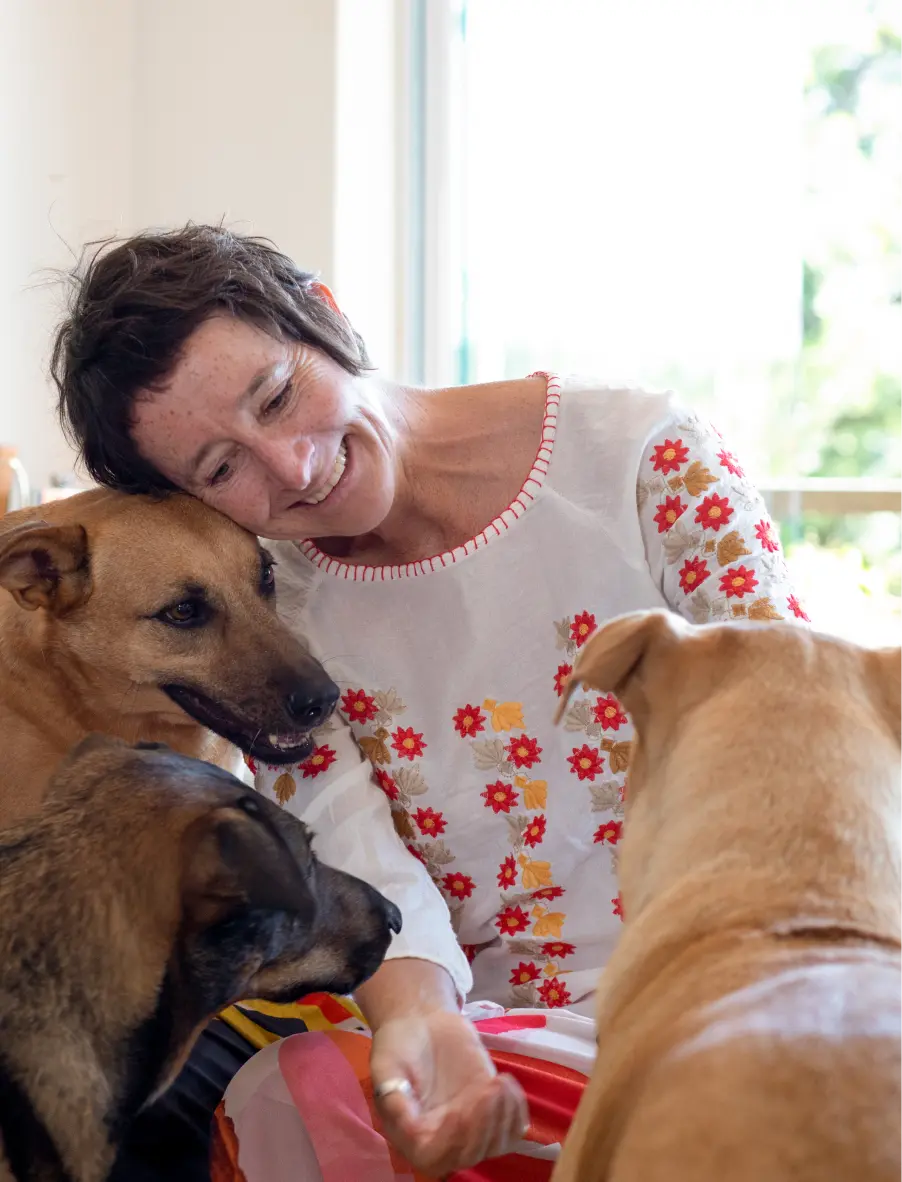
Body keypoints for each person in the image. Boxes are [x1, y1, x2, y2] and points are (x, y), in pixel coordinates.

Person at [52, 225, 807, 1180]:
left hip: (736, 979)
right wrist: (419, 1023)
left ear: (324, 316)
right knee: (295, 1089)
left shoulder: (644, 456)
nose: (289, 467)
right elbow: (363, 859)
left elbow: (805, 725)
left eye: (279, 396)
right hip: (495, 1031)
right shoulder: (270, 621)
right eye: (220, 470)